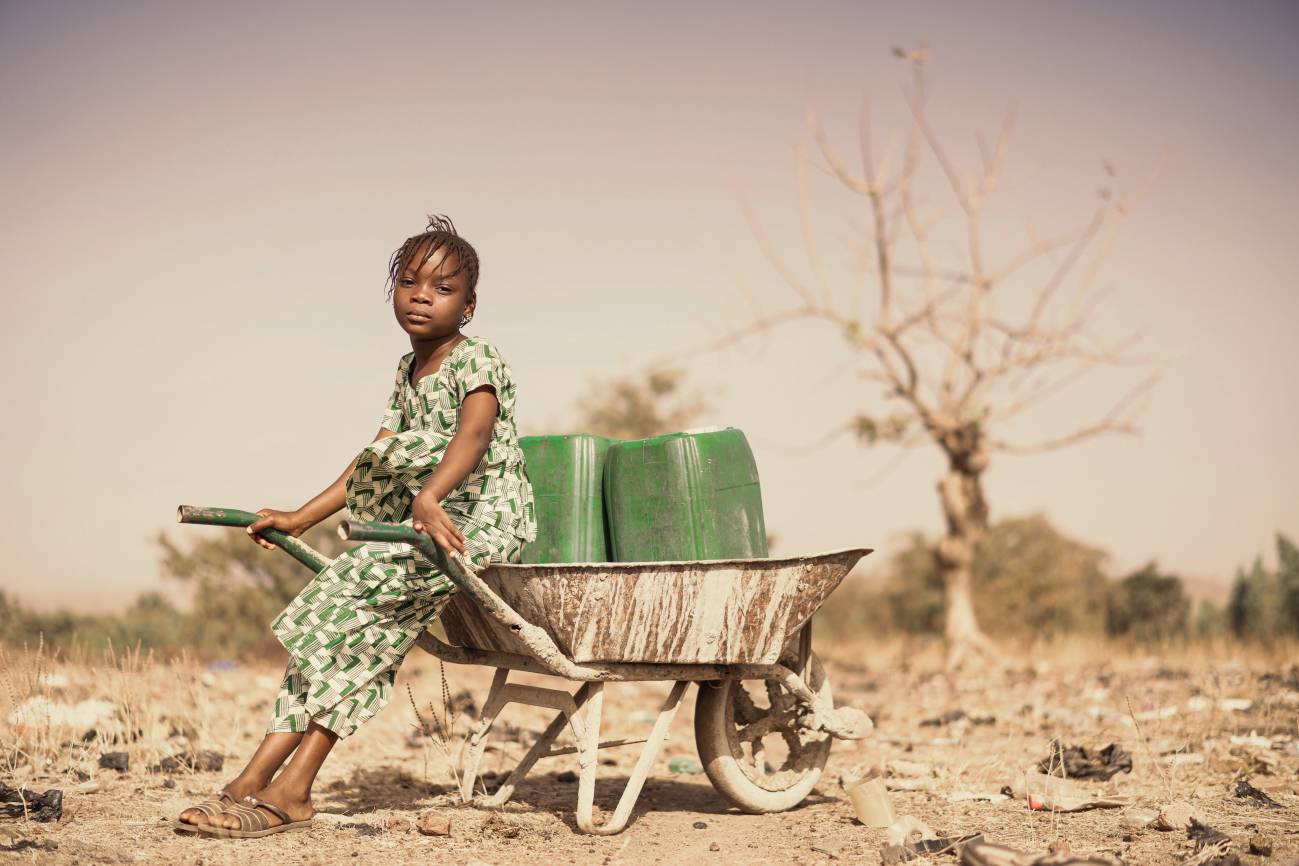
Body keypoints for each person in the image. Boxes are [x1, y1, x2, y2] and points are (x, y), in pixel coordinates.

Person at [175, 214, 537, 838]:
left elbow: (473, 437)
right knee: (330, 622)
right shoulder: (406, 370)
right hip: (421, 520)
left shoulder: (477, 358)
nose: (423, 295)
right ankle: (252, 780)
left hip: (476, 518)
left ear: (469, 305)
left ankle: (293, 789)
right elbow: (374, 456)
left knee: (365, 630)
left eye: (443, 287)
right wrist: (298, 517)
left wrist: (429, 498)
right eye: (410, 281)